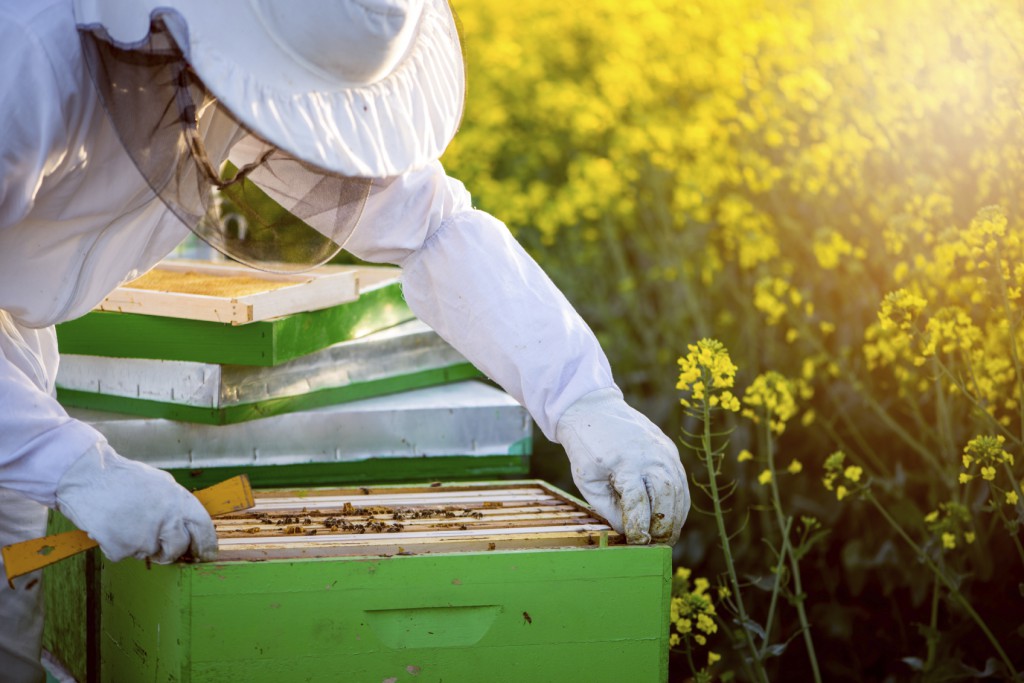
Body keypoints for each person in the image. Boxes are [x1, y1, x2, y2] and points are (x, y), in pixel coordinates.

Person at [0, 0, 690, 680]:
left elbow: (432, 229)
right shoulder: (24, 55)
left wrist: (581, 398)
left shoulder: (244, 50)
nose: (288, 129)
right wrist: (74, 466)